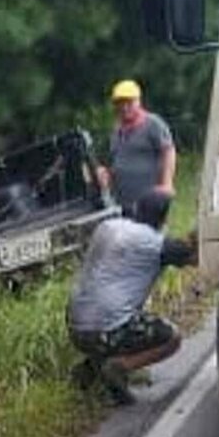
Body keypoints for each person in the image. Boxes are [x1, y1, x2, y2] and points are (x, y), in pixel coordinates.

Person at [67, 190, 196, 404]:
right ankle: (119, 368)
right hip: (105, 330)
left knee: (117, 318)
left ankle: (90, 372)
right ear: (163, 218)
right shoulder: (155, 243)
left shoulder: (108, 226)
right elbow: (194, 257)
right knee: (171, 338)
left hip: (75, 326)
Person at [98, 79, 176, 216]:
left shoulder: (153, 124)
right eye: (120, 103)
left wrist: (167, 183)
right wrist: (106, 175)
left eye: (129, 102)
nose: (124, 107)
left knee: (149, 235)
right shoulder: (116, 131)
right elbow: (115, 161)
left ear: (138, 101)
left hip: (149, 201)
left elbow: (168, 151)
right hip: (121, 202)